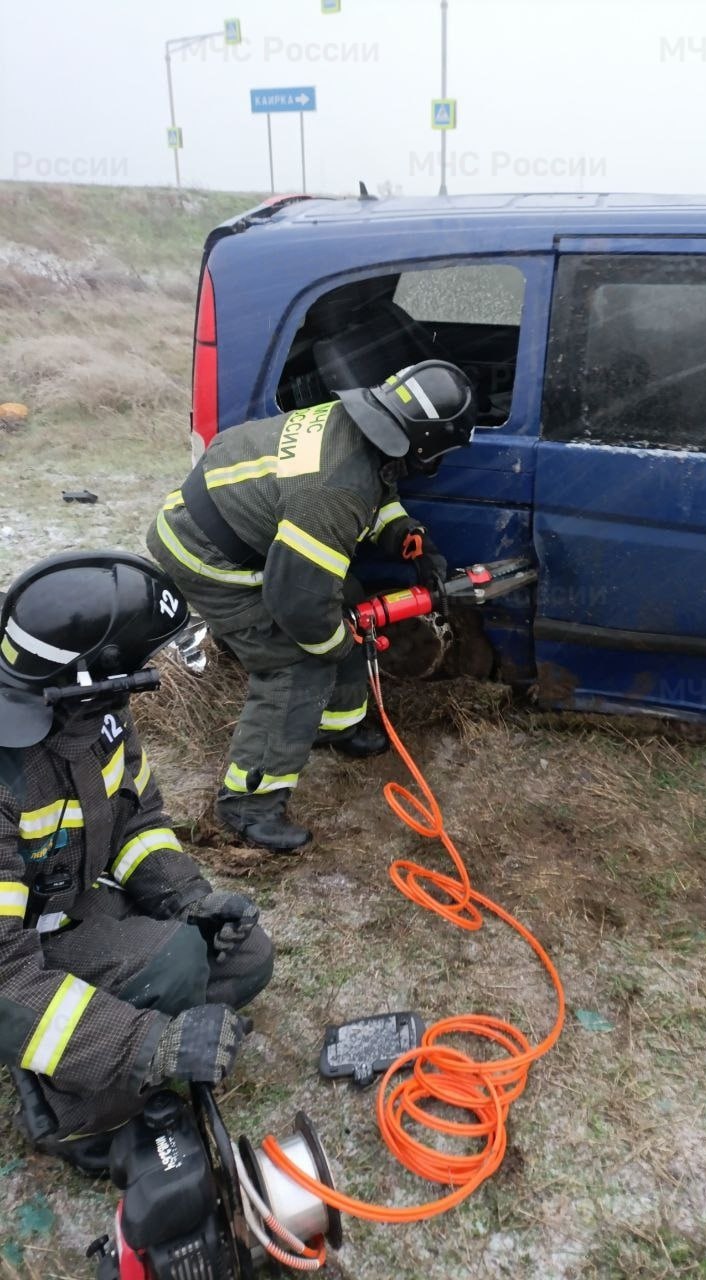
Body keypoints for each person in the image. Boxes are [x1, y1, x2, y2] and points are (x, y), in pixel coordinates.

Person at [0, 551, 273, 1175]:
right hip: (16, 959)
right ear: (96, 675)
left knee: (247, 952)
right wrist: (152, 1047)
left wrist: (189, 901)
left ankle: (106, 1035)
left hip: (68, 910)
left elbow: (139, 825)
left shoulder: (99, 720)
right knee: (176, 968)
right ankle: (60, 1101)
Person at [146, 359, 477, 853]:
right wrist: (335, 643)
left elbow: (376, 486)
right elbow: (296, 603)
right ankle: (247, 805)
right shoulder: (333, 492)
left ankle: (334, 726)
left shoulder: (360, 427)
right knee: (296, 664)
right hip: (205, 555)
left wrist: (406, 536)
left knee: (349, 604)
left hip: (245, 530)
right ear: (427, 440)